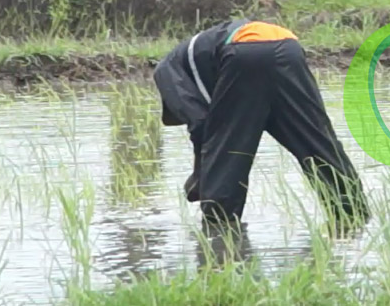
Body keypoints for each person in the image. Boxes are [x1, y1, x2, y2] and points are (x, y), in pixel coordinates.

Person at [152, 17, 370, 230]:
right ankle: (354, 215)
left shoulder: (166, 71)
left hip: (243, 50)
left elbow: (203, 126)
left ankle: (219, 232)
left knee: (230, 151)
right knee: (316, 139)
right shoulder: (197, 59)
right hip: (289, 47)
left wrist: (200, 178)